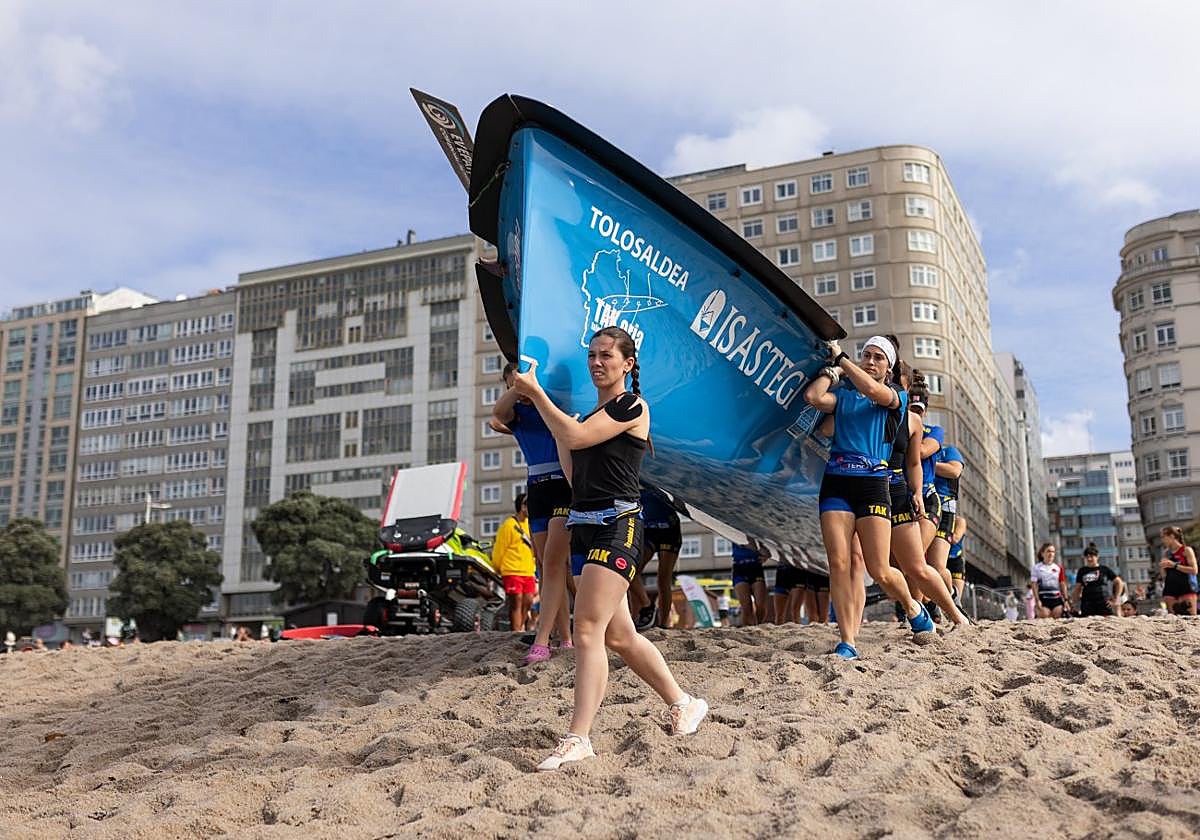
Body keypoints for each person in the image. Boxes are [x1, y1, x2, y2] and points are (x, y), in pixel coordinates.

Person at [511, 326, 707, 771]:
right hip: (583, 527)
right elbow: (572, 469)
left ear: (627, 364)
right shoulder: (587, 416)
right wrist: (557, 422)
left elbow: (578, 438)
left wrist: (538, 395)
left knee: (586, 630)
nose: (597, 362)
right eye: (592, 356)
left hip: (618, 526)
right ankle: (684, 703)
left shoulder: (631, 406)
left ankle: (578, 737)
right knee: (619, 636)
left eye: (606, 355)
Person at [803, 335, 936, 660]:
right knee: (839, 563)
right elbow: (813, 397)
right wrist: (834, 372)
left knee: (880, 570)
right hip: (836, 482)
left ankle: (912, 606)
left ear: (889, 367)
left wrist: (842, 359)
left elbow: (875, 391)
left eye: (878, 357)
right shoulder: (846, 397)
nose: (870, 361)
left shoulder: (896, 397)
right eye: (867, 355)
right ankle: (847, 640)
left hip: (873, 484)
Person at [492, 363, 573, 662]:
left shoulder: (551, 405)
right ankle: (566, 638)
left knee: (554, 562)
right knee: (547, 567)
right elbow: (497, 415)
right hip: (537, 490)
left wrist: (533, 388)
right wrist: (518, 387)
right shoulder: (517, 414)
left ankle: (543, 638)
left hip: (564, 485)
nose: (519, 389)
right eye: (511, 385)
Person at [632, 486, 682, 630]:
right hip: (648, 530)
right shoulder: (633, 477)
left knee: (663, 579)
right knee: (631, 571)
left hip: (669, 529)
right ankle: (645, 607)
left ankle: (663, 624)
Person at [491, 493, 538, 633]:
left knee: (528, 601)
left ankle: (520, 627)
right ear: (522, 507)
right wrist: (498, 568)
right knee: (516, 601)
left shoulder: (530, 525)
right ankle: (516, 631)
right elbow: (499, 549)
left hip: (528, 571)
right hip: (511, 570)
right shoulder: (508, 525)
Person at [1071, 543, 1125, 617]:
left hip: (1103, 602)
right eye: (1087, 557)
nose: (1089, 559)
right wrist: (1075, 603)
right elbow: (1077, 588)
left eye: (1091, 556)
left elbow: (1119, 582)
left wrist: (1116, 597)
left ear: (1097, 557)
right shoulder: (1082, 570)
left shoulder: (1104, 569)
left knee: (1107, 621)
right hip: (1087, 603)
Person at [1159, 526, 1198, 616]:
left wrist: (1174, 565)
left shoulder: (1186, 550)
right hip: (1170, 589)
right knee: (1172, 619)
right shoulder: (1166, 553)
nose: (1162, 540)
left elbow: (1194, 570)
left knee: (1190, 618)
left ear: (1172, 536)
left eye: (1163, 537)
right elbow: (1164, 575)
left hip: (1186, 587)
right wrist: (1162, 567)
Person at [731, 542, 770, 626]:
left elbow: (766, 551)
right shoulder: (737, 535)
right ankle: (749, 629)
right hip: (739, 567)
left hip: (755, 566)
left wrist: (766, 555)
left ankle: (759, 625)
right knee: (746, 606)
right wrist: (758, 549)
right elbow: (746, 544)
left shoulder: (756, 535)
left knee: (760, 604)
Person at [1031, 543, 1070, 618]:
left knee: (1057, 617)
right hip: (1043, 599)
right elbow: (1034, 584)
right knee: (1045, 616)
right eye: (1048, 551)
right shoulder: (1036, 568)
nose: (1051, 554)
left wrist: (1066, 600)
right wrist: (1037, 600)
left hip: (1056, 599)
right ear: (1042, 553)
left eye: (1053, 551)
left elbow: (1062, 584)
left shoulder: (1058, 567)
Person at [771, 557, 806, 624]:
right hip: (782, 571)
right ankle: (780, 630)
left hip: (798, 571)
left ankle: (798, 629)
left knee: (795, 611)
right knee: (779, 616)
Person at [946, 514, 968, 603]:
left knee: (956, 599)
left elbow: (955, 539)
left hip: (955, 560)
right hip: (941, 560)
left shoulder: (959, 521)